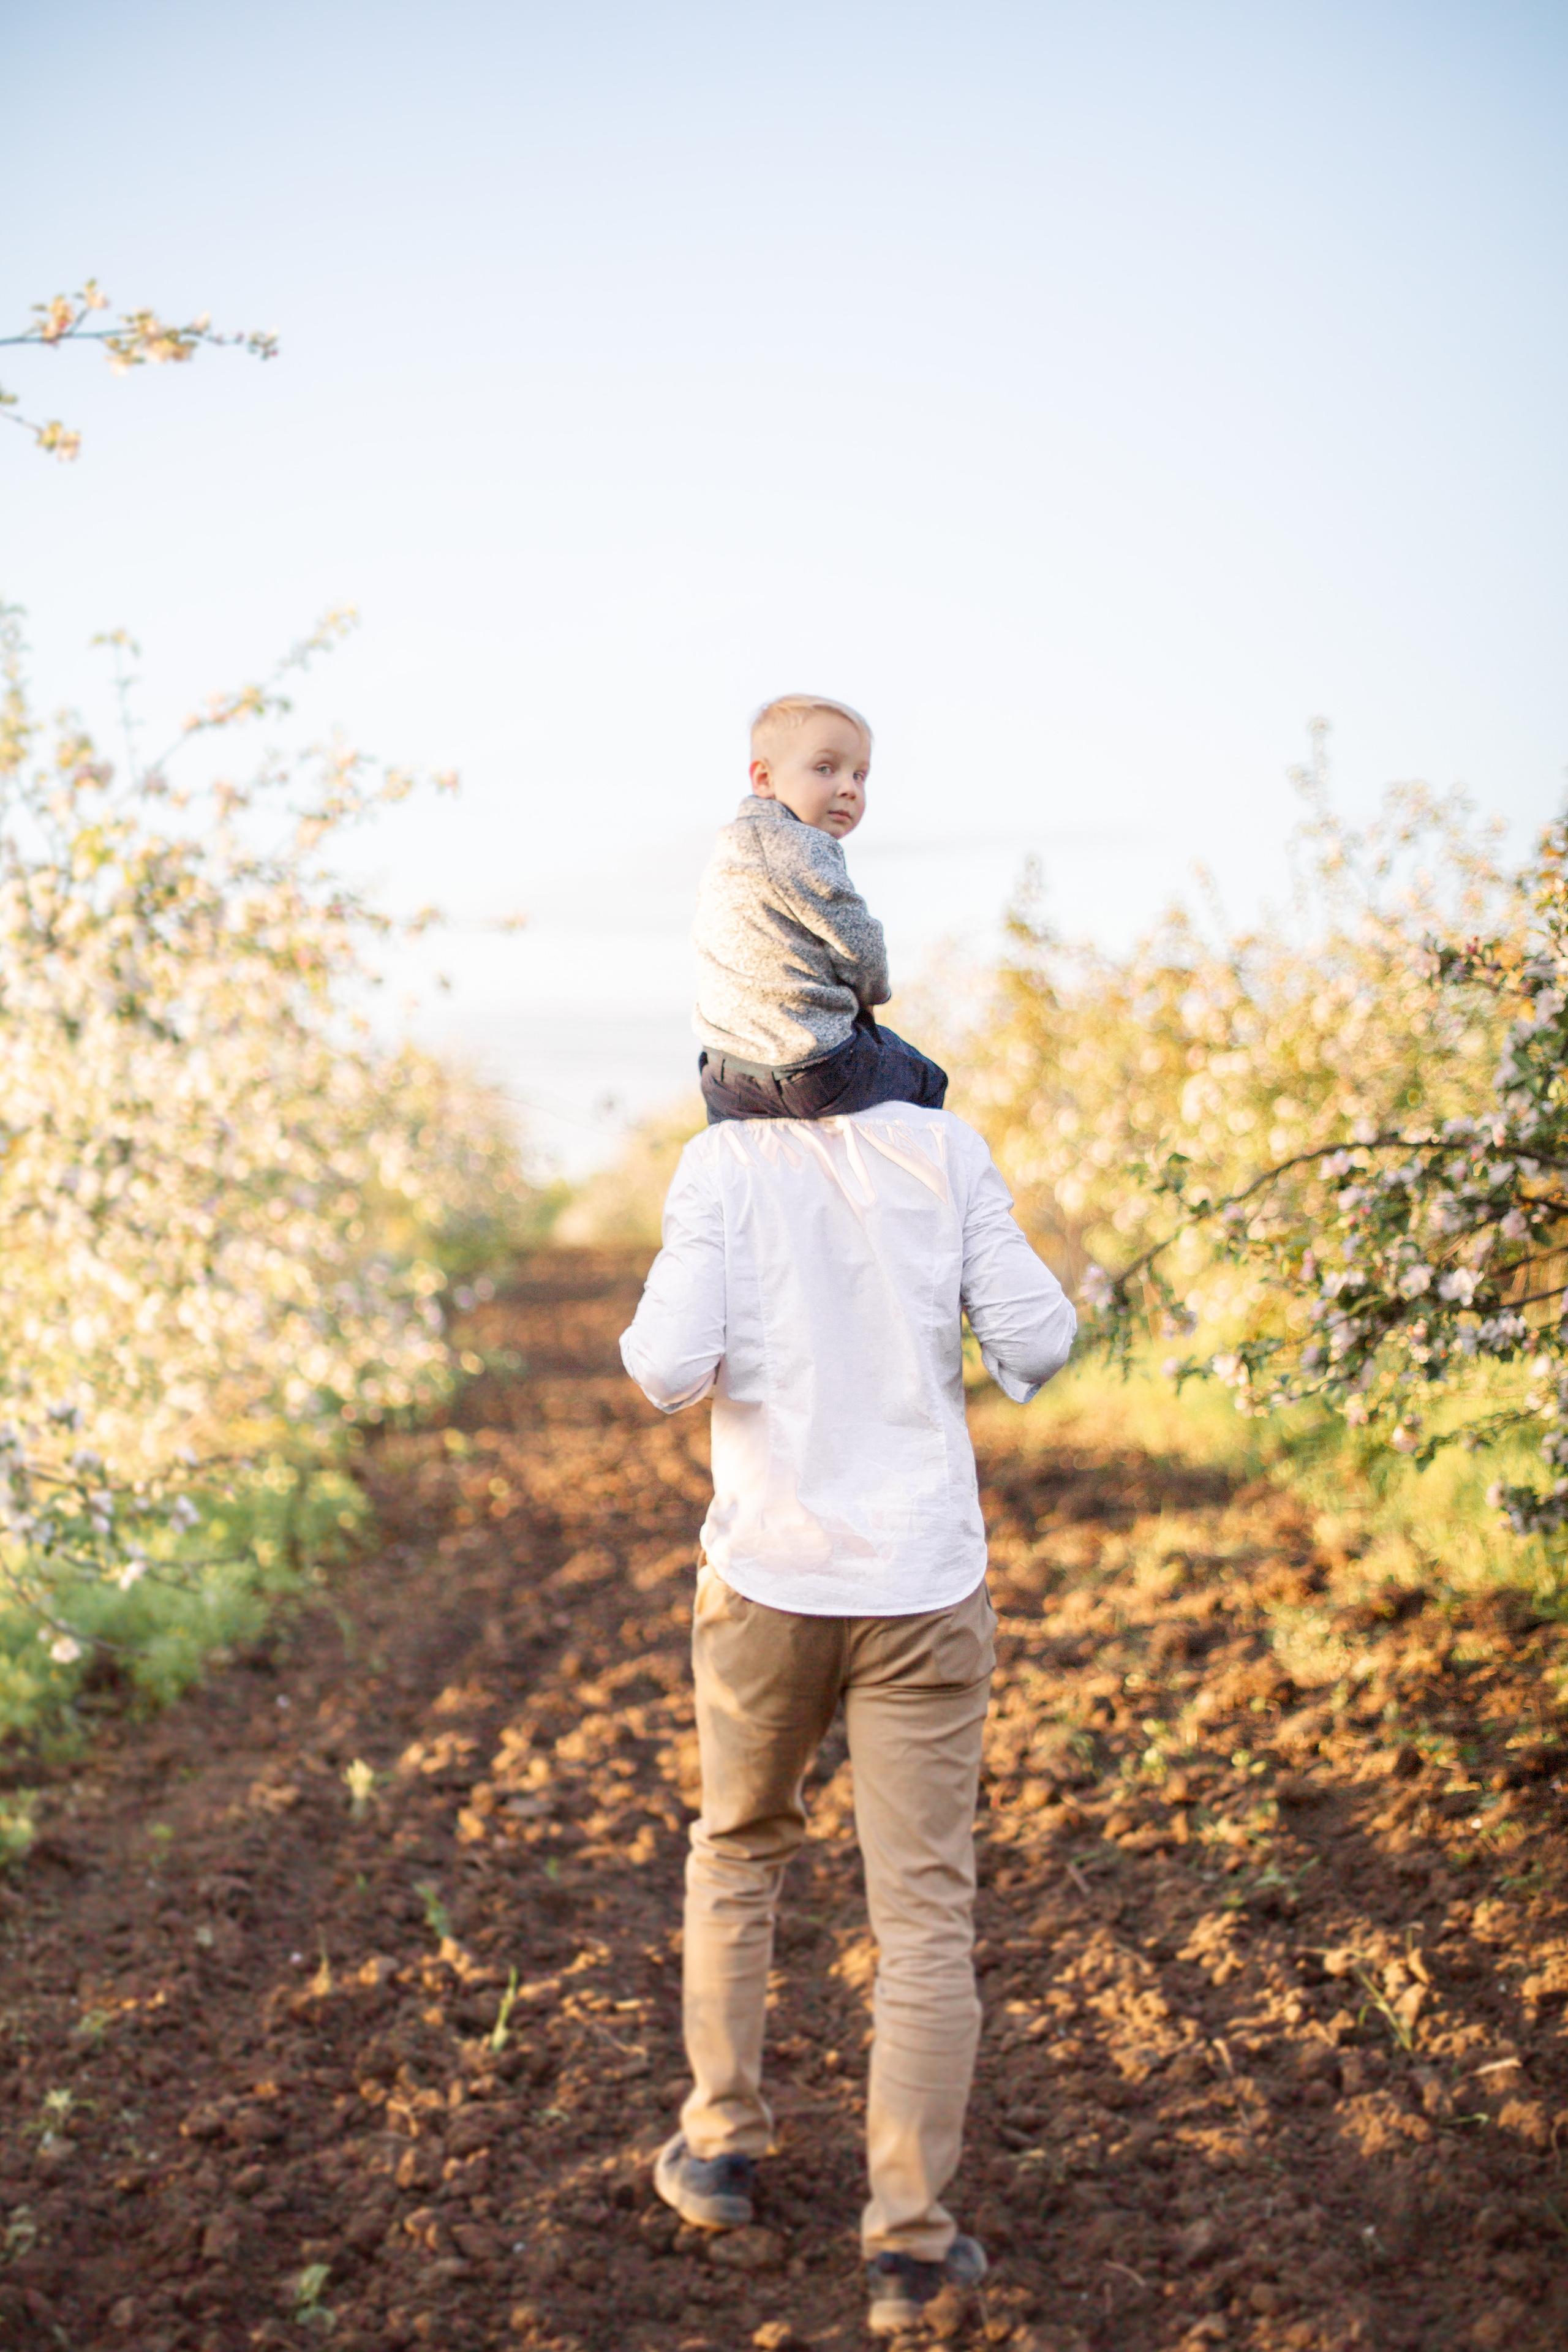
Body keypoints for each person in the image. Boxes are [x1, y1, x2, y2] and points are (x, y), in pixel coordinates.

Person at [619, 1102, 1076, 2337]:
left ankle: (716, 2152)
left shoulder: (723, 1165)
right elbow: (1037, 1339)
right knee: (924, 1912)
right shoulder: (945, 1147)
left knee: (736, 1849)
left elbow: (665, 1369)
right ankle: (911, 2252)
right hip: (924, 1585)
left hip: (768, 1582)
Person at [692, 693, 949, 1125]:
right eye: (825, 768)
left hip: (727, 1078)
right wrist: (873, 993)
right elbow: (861, 946)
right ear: (764, 779)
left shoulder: (726, 854)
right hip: (814, 1070)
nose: (849, 787)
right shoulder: (801, 846)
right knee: (924, 1078)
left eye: (860, 775)